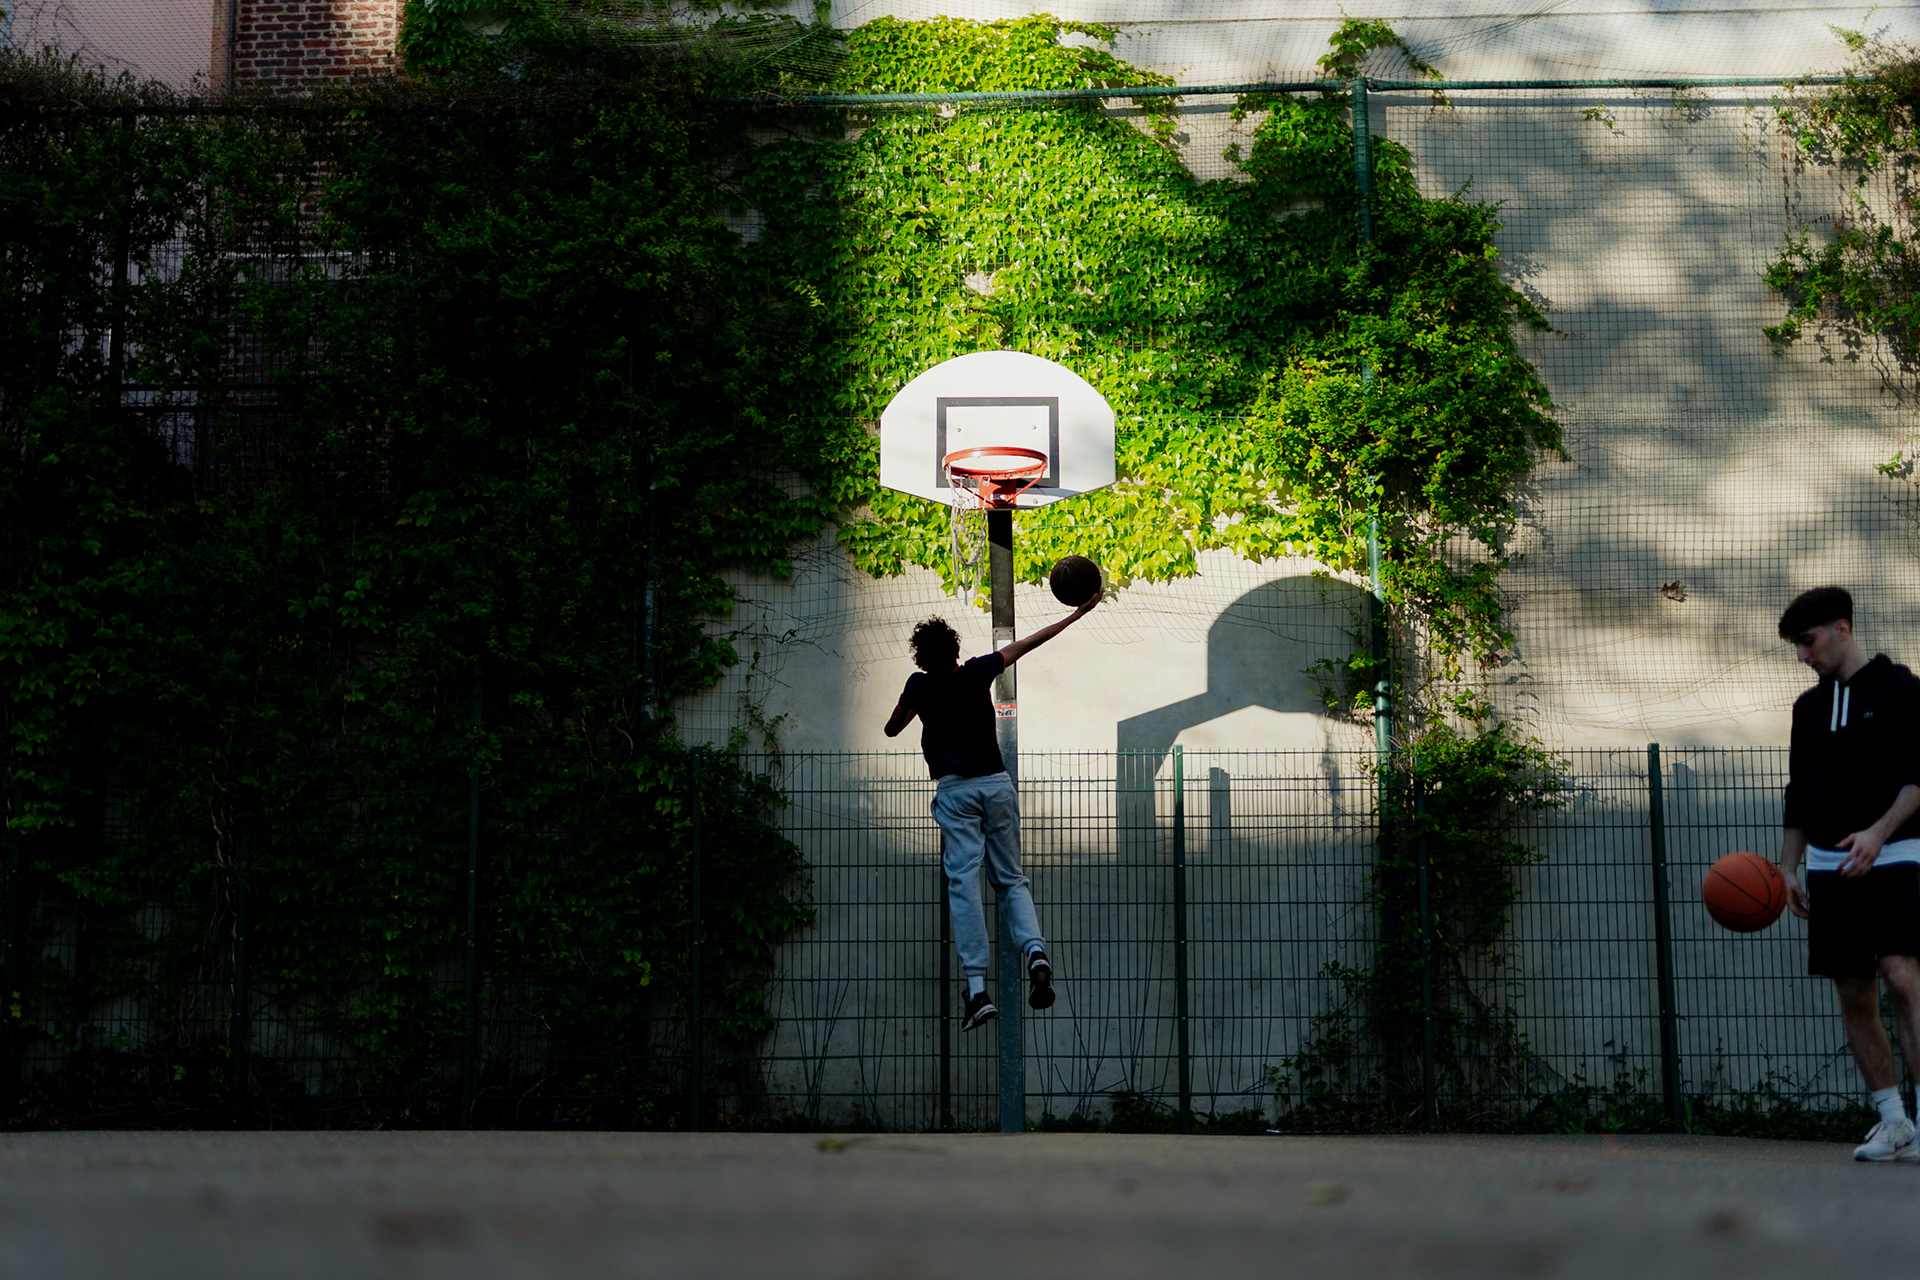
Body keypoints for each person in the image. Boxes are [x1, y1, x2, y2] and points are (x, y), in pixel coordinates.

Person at [884, 593, 1100, 1031]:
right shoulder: (978, 671)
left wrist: (917, 704)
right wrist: (1076, 614)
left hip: (956, 792)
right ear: (955, 651)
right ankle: (1035, 953)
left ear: (921, 657)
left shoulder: (918, 686)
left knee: (964, 882)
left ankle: (978, 990)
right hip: (996, 786)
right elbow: (1029, 643)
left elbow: (891, 728)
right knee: (1011, 878)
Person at [1777, 586, 1920, 1161]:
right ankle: (1895, 1123)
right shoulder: (1806, 710)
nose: (1802, 656)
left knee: (1901, 976)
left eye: (1807, 642)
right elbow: (1798, 795)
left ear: (1842, 628)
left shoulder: (1901, 689)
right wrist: (1788, 867)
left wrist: (1877, 833)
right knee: (1853, 988)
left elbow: (1917, 780)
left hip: (1895, 850)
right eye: (1795, 646)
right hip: (1827, 863)